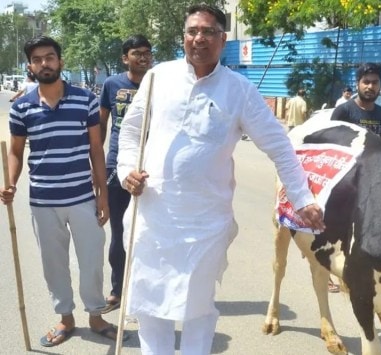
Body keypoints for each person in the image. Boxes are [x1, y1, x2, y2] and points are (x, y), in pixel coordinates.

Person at [116, 4, 325, 354]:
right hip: (152, 215)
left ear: (223, 39)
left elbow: (279, 146)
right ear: (183, 37)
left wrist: (302, 199)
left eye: (208, 32)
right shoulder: (158, 77)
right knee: (151, 306)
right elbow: (131, 130)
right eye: (192, 31)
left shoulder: (239, 90)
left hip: (205, 223)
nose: (199, 38)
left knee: (196, 308)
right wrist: (125, 171)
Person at [0, 36, 120, 347]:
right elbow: (15, 151)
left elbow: (96, 148)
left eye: (50, 57)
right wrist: (11, 182)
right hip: (43, 200)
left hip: (82, 197)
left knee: (92, 259)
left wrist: (103, 195)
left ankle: (96, 315)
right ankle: (66, 319)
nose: (44, 63)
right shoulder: (22, 107)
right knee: (53, 264)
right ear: (30, 66)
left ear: (60, 62)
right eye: (37, 59)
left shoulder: (85, 100)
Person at [98, 34, 153, 314]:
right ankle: (118, 289)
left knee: (152, 232)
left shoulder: (160, 84)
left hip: (153, 170)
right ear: (125, 58)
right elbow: (102, 124)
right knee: (119, 232)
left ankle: (150, 289)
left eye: (147, 53)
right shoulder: (112, 85)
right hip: (117, 168)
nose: (143, 57)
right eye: (137, 53)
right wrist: (97, 161)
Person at [330, 62, 381, 137]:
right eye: (366, 82)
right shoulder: (343, 111)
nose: (370, 87)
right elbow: (332, 143)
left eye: (375, 83)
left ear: (380, 86)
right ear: (357, 84)